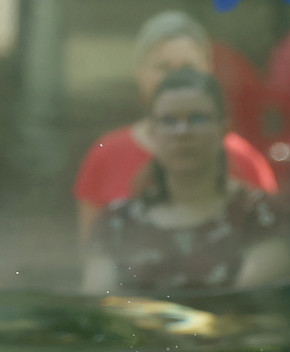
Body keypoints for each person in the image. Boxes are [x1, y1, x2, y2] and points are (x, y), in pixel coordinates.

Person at [82, 68, 290, 295]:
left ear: (224, 129)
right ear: (152, 133)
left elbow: (244, 309)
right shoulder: (116, 224)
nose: (182, 132)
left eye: (197, 118)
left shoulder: (262, 216)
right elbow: (101, 308)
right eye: (168, 120)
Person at [73, 11, 277, 242]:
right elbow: (93, 253)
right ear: (139, 73)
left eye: (188, 66)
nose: (177, 78)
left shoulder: (244, 160)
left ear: (208, 70)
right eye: (163, 67)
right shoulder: (105, 155)